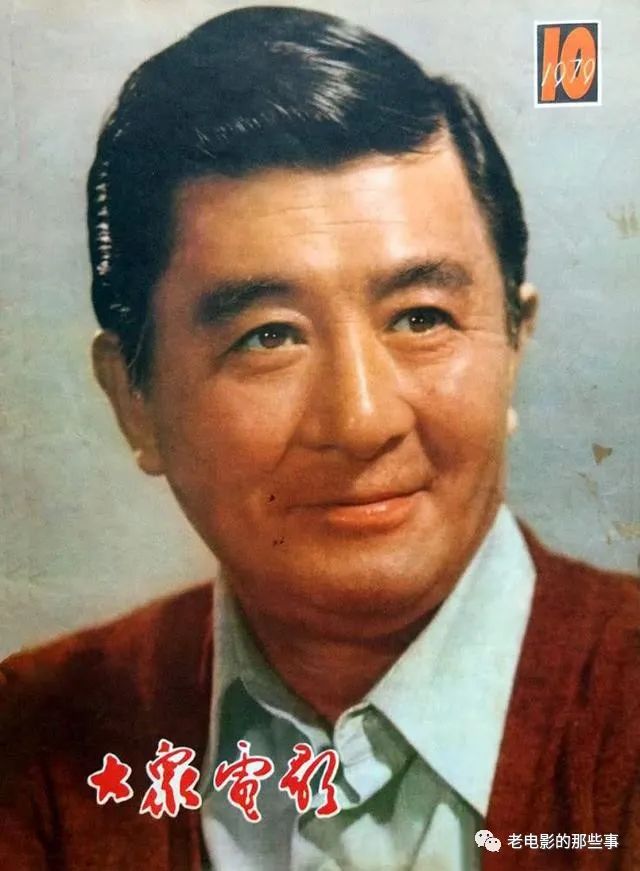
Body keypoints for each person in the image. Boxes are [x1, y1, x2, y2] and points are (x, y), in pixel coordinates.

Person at [1, 6, 638, 870]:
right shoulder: (27, 742)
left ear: (513, 346)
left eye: (421, 317)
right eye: (268, 335)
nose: (363, 420)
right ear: (133, 400)